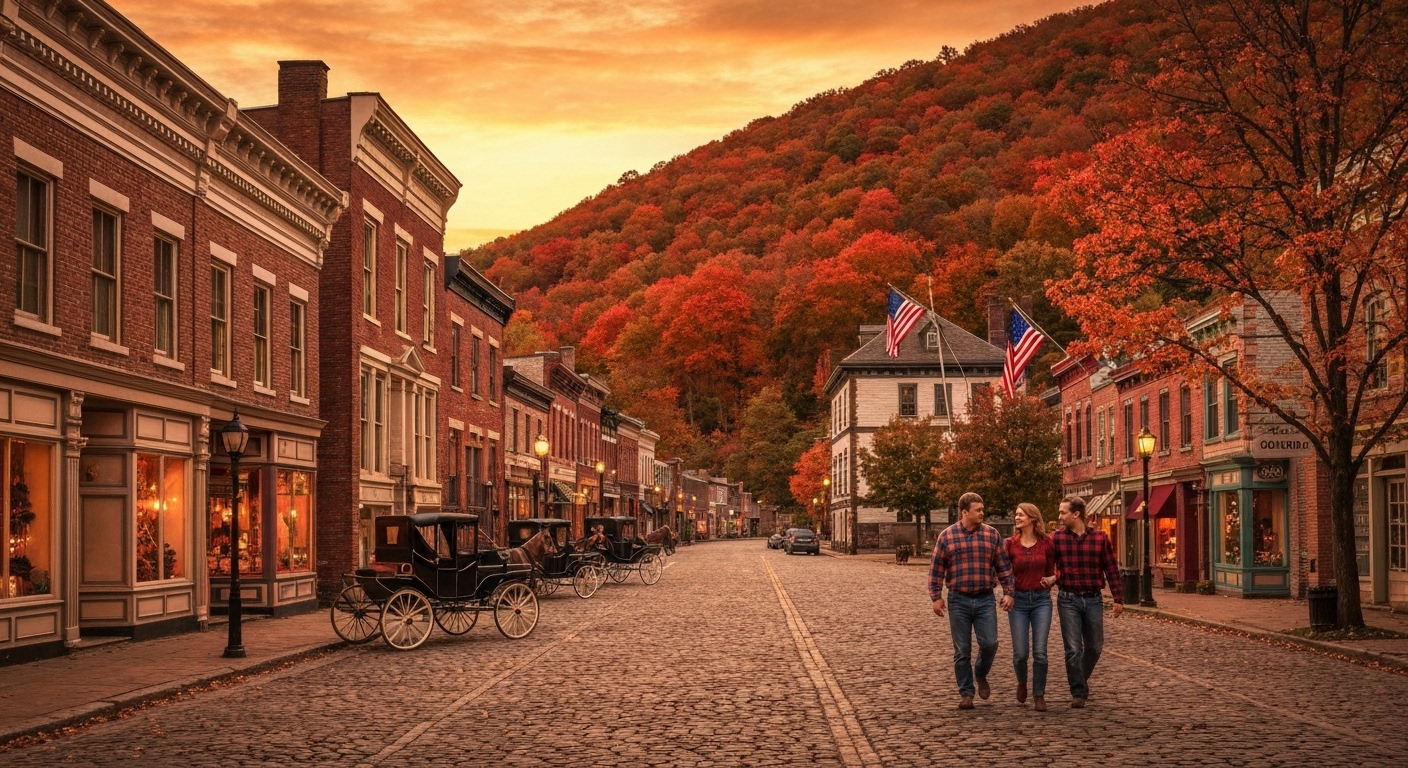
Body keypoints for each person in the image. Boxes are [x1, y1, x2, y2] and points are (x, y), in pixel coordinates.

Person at [928, 492, 1014, 710]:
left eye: (983, 509)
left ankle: (981, 672)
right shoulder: (947, 536)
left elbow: (1003, 566)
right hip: (958, 599)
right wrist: (936, 597)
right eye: (978, 510)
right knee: (961, 649)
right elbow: (936, 568)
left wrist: (1009, 591)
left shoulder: (992, 535)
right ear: (965, 512)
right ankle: (966, 693)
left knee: (990, 643)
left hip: (985, 598)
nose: (982, 513)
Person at [1050, 495, 1123, 708]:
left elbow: (1111, 569)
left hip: (1093, 598)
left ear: (1076, 514)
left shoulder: (1100, 538)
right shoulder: (1056, 539)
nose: (1060, 516)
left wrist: (1118, 598)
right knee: (1073, 648)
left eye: (1063, 512)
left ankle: (1079, 678)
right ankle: (1078, 692)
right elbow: (1050, 565)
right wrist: (1053, 576)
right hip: (1068, 598)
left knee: (1095, 646)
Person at [1004, 502, 1055, 712]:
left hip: (1042, 600)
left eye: (1021, 515)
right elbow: (1005, 573)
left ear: (1033, 518)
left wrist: (1053, 579)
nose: (1017, 518)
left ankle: (1039, 694)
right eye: (1016, 514)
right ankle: (1022, 681)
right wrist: (1008, 593)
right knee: (1021, 653)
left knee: (1040, 652)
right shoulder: (1010, 544)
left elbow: (1054, 570)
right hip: (1019, 601)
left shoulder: (1046, 543)